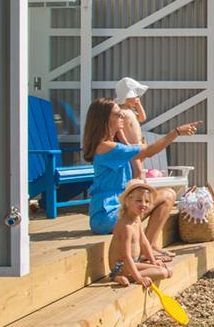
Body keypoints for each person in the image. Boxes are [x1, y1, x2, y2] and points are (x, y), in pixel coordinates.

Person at [82, 98, 199, 259]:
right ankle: (148, 248)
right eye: (118, 115)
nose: (122, 117)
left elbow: (136, 161)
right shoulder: (107, 148)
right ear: (105, 119)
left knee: (164, 195)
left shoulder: (107, 144)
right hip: (107, 215)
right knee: (167, 195)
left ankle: (148, 248)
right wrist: (176, 132)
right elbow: (149, 150)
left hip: (110, 210)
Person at [108, 179, 172, 288]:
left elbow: (144, 242)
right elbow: (125, 256)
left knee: (169, 270)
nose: (143, 204)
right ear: (127, 201)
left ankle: (129, 276)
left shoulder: (136, 219)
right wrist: (139, 278)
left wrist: (153, 260)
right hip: (121, 266)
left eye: (147, 201)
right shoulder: (126, 226)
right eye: (139, 201)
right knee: (163, 272)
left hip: (132, 263)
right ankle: (123, 277)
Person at [115, 77, 149, 178]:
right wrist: (126, 143)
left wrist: (138, 104)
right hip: (130, 146)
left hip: (138, 145)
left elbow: (142, 118)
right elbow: (119, 130)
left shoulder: (131, 110)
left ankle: (136, 187)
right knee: (137, 171)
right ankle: (130, 187)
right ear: (127, 97)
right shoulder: (121, 111)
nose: (138, 98)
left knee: (139, 171)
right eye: (135, 96)